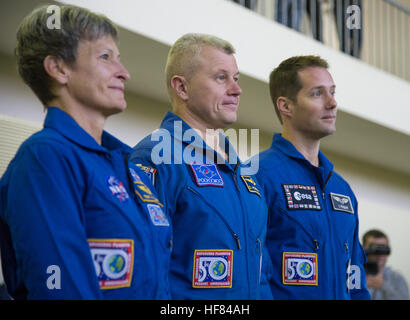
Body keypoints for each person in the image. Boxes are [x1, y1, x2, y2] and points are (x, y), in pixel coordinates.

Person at [0, 4, 172, 299]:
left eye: (119, 59)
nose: (124, 73)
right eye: (106, 57)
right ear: (58, 68)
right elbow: (60, 290)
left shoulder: (123, 162)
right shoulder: (45, 158)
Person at [131, 33, 272, 299]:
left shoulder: (243, 173)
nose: (236, 89)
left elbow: (261, 269)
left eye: (236, 78)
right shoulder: (154, 157)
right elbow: (145, 270)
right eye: (221, 77)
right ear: (182, 88)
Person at [255, 55, 370, 299]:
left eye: (332, 92)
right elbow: (251, 272)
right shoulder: (257, 176)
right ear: (286, 106)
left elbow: (356, 274)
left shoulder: (341, 188)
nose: (332, 103)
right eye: (317, 94)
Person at [362, 229, 409, 300]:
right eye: (375, 248)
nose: (380, 254)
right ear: (363, 249)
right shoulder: (353, 275)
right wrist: (360, 287)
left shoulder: (395, 277)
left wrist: (383, 285)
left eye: (384, 248)